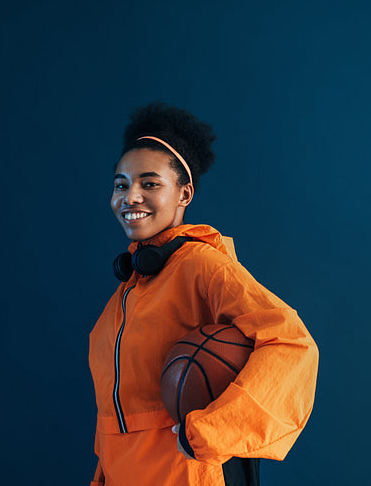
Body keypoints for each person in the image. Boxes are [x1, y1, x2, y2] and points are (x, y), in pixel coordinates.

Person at [89, 103, 319, 486]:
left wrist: (213, 431)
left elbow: (292, 344)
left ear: (184, 194)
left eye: (150, 183)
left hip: (185, 475)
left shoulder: (200, 264)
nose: (130, 197)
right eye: (121, 184)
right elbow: (116, 419)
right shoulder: (126, 292)